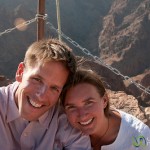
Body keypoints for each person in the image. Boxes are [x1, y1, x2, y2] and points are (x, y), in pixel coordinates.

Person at [0, 39, 91, 150]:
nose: (41, 95)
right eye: (37, 79)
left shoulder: (67, 121)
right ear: (20, 72)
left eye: (54, 88)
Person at [61, 68, 150, 150]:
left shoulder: (140, 136)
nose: (82, 115)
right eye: (72, 107)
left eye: (88, 103)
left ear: (104, 100)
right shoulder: (62, 126)